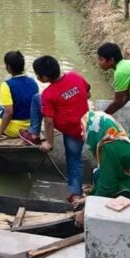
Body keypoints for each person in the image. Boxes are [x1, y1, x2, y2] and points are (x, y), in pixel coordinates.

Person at [31, 56, 90, 203]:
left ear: (44, 77)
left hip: (72, 131)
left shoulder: (49, 94)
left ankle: (76, 194)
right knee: (37, 98)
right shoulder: (75, 76)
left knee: (73, 160)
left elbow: (49, 121)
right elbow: (88, 93)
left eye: (38, 75)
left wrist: (49, 143)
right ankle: (76, 193)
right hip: (85, 123)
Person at [0, 51, 40, 145]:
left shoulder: (6, 85)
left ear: (8, 67)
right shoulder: (33, 82)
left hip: (14, 130)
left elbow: (9, 112)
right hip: (30, 127)